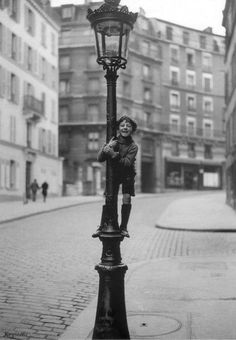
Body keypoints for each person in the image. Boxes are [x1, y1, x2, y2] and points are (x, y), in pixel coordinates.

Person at [93, 115, 138, 238]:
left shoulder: (133, 146)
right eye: (122, 125)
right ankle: (102, 226)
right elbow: (100, 158)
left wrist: (113, 153)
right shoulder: (113, 141)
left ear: (132, 129)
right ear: (118, 128)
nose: (125, 128)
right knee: (109, 198)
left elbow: (127, 163)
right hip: (114, 174)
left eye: (128, 126)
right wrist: (108, 147)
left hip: (127, 174)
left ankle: (124, 228)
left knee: (127, 198)